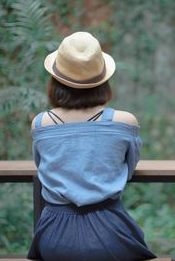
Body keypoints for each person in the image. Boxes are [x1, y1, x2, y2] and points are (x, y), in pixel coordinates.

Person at [27, 31, 156, 261]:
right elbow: (129, 166)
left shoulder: (41, 123)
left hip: (54, 235)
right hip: (111, 232)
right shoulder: (124, 122)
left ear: (55, 81)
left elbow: (41, 165)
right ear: (103, 81)